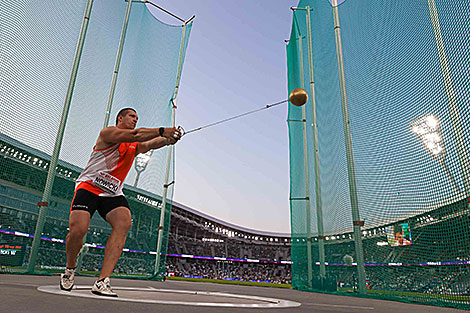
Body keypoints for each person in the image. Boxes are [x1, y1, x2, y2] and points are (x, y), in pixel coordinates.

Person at [59, 108, 181, 297]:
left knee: (124, 223)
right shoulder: (108, 133)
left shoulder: (134, 146)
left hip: (112, 192)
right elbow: (136, 134)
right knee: (78, 230)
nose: (135, 120)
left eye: (137, 118)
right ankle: (70, 268)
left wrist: (168, 139)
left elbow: (149, 144)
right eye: (132, 116)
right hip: (89, 187)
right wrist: (162, 130)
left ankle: (102, 281)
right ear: (120, 118)